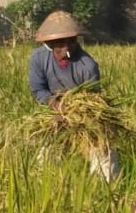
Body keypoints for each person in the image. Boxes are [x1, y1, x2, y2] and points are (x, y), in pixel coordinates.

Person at [28, 10, 117, 179]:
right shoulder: (38, 59)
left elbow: (92, 99)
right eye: (60, 43)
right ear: (49, 43)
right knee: (47, 154)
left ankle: (106, 185)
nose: (66, 47)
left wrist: (74, 112)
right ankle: (48, 184)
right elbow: (38, 89)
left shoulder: (87, 65)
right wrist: (54, 103)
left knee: (103, 151)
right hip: (54, 112)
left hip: (85, 115)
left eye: (71, 41)